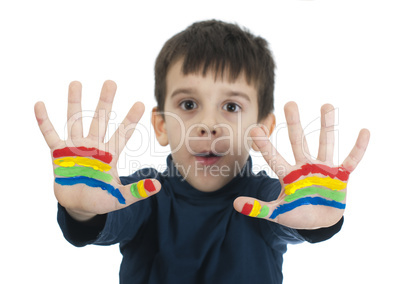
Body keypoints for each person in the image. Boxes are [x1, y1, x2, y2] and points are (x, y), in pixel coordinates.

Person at [34, 20, 370, 283]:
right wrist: (82, 210)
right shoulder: (142, 194)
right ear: (162, 126)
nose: (209, 123)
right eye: (189, 104)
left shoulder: (267, 199)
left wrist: (317, 223)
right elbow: (108, 214)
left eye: (231, 106)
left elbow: (292, 215)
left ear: (263, 129)